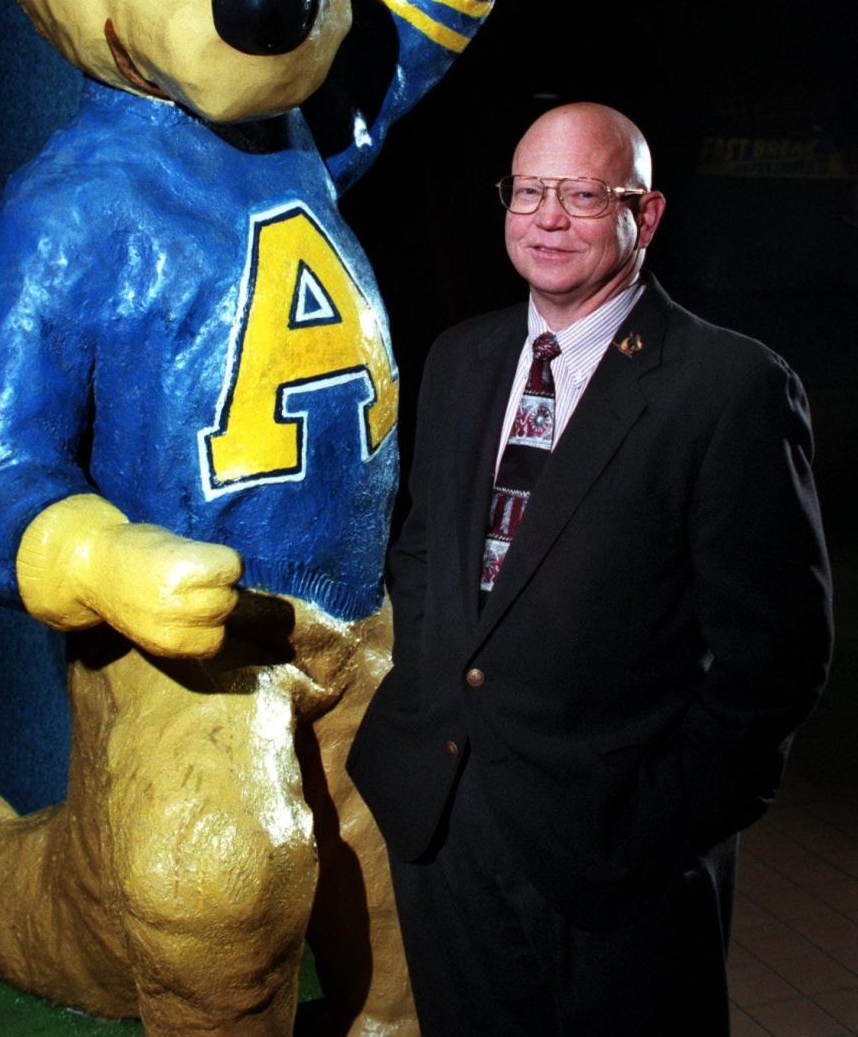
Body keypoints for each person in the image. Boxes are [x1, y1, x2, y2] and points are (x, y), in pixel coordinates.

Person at [348, 102, 833, 1036]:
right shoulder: (459, 357)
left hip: (615, 849)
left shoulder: (730, 388)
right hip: (443, 825)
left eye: (581, 194)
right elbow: (425, 551)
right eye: (529, 191)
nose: (548, 218)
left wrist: (668, 823)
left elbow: (777, 657)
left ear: (642, 216)